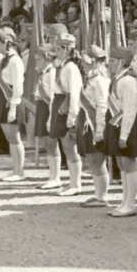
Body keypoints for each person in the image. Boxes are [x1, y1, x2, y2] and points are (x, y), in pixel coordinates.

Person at [105, 45, 137, 217]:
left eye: (112, 61)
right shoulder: (118, 79)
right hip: (116, 123)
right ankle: (124, 201)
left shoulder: (128, 81)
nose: (109, 64)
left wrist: (124, 134)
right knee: (121, 164)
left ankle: (131, 203)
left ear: (122, 62)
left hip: (127, 124)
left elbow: (129, 110)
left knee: (128, 163)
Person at [49, 33, 84, 196]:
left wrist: (72, 117)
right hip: (58, 102)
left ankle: (76, 184)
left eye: (58, 48)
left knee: (71, 147)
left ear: (66, 50)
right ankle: (71, 182)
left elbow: (74, 93)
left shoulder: (71, 68)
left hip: (67, 106)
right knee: (65, 146)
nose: (55, 51)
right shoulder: (62, 66)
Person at [78, 45, 112, 207]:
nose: (82, 63)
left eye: (84, 60)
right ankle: (97, 193)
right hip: (87, 122)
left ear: (93, 61)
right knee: (92, 159)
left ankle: (102, 196)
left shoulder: (99, 80)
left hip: (95, 124)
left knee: (97, 160)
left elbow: (102, 105)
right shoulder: (91, 78)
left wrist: (99, 129)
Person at [0, 28, 27, 182]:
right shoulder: (3, 60)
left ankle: (19, 171)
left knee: (15, 137)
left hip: (12, 99)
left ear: (6, 43)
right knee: (9, 138)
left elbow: (18, 85)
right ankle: (15, 169)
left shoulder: (15, 60)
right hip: (3, 97)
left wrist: (13, 106)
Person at [34, 44, 61, 189]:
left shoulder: (51, 73)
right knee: (46, 142)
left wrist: (51, 117)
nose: (36, 62)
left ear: (47, 59)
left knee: (52, 143)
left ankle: (56, 177)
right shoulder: (43, 72)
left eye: (39, 59)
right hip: (41, 106)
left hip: (48, 108)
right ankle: (51, 175)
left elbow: (51, 97)